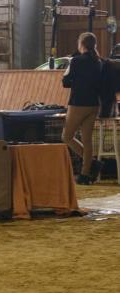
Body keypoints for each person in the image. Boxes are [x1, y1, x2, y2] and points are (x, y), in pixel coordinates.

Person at [62, 32, 104, 185]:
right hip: (93, 105)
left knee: (67, 137)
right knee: (87, 141)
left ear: (82, 44)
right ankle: (85, 174)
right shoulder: (98, 62)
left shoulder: (76, 61)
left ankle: (92, 164)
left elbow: (66, 83)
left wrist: (68, 71)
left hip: (78, 103)